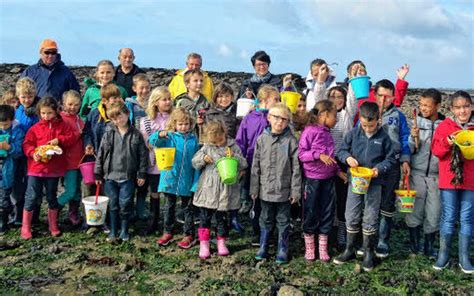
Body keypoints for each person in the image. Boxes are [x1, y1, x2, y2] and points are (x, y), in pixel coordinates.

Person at [334, 101, 396, 272]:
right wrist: (347, 158)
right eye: (364, 125)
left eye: (371, 125)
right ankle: (350, 249)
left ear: (378, 120)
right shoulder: (353, 133)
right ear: (359, 119)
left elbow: (390, 160)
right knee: (351, 214)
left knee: (370, 216)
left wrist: (379, 169)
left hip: (374, 183)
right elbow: (340, 151)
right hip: (355, 181)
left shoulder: (384, 137)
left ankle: (368, 251)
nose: (368, 128)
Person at [250, 103, 301, 264]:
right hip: (265, 189)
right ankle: (264, 245)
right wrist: (254, 188)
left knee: (283, 220)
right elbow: (255, 166)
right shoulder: (261, 139)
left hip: (284, 191)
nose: (280, 122)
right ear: (269, 118)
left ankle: (283, 247)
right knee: (265, 218)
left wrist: (295, 191)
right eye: (277, 118)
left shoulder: (291, 141)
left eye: (284, 119)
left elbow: (296, 169)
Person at [20, 97, 77, 239]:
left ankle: (53, 224)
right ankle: (25, 226)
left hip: (54, 169)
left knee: (51, 196)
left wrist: (60, 140)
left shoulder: (62, 126)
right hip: (36, 168)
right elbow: (27, 144)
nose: (46, 116)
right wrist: (33, 153)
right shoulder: (35, 128)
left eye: (49, 113)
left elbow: (73, 137)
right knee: (32, 196)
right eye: (43, 113)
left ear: (56, 112)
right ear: (39, 113)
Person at [298, 100, 347, 262]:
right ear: (325, 115)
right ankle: (310, 247)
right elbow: (301, 154)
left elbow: (331, 159)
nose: (337, 120)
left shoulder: (328, 133)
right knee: (311, 211)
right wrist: (318, 155)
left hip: (328, 180)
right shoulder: (309, 131)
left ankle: (323, 247)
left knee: (327, 212)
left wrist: (339, 172)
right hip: (312, 180)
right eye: (335, 116)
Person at [431, 91, 473, 274]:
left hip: (471, 180)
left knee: (467, 218)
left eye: (466, 106)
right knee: (448, 217)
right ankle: (443, 255)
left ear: (472, 106)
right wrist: (448, 141)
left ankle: (465, 257)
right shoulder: (445, 126)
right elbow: (437, 151)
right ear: (452, 109)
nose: (462, 111)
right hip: (449, 180)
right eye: (458, 107)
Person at [192, 121, 247, 259]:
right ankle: (204, 244)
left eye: (220, 140)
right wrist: (203, 159)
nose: (218, 144)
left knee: (221, 218)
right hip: (208, 189)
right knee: (205, 218)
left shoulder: (233, 146)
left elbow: (244, 164)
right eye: (215, 142)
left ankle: (221, 242)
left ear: (224, 133)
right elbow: (195, 162)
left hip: (226, 190)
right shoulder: (207, 147)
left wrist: (234, 157)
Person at [95, 102, 148, 242]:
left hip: (128, 177)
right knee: (113, 204)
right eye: (114, 118)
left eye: (120, 116)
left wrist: (142, 173)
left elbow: (143, 156)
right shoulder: (108, 133)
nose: (118, 120)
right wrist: (98, 173)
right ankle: (113, 230)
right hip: (110, 176)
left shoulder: (136, 134)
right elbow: (101, 153)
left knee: (125, 203)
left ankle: (124, 230)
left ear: (127, 114)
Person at [149, 108, 200, 249]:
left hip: (187, 180)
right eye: (180, 124)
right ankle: (168, 231)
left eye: (186, 124)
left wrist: (195, 183)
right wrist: (160, 134)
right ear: (174, 124)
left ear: (191, 124)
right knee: (169, 206)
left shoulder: (193, 141)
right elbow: (152, 141)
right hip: (170, 178)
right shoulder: (169, 138)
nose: (184, 127)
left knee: (188, 208)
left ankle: (188, 234)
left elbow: (197, 163)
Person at [236, 85, 280, 245]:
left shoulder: (277, 118)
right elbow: (241, 141)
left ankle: (269, 232)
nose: (278, 102)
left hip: (272, 165)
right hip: (251, 164)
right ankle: (257, 232)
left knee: (269, 199)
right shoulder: (249, 118)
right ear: (263, 99)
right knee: (255, 199)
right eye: (275, 99)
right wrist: (241, 165)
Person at [374, 79, 411, 259]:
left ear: (393, 97)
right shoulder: (368, 113)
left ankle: (383, 240)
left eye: (387, 97)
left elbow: (405, 138)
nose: (383, 100)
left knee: (387, 203)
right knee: (370, 202)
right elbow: (358, 135)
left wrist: (405, 159)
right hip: (372, 165)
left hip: (393, 164)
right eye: (380, 95)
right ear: (375, 95)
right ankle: (368, 238)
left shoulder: (399, 115)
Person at [406, 88, 445, 257]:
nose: (423, 108)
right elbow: (410, 149)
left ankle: (429, 246)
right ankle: (414, 245)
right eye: (421, 105)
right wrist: (413, 138)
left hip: (437, 176)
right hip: (417, 173)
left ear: (438, 105)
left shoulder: (445, 125)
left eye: (427, 105)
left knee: (434, 211)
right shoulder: (416, 123)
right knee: (415, 210)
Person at [204, 83, 242, 233]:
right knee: (217, 186)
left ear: (232, 97)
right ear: (215, 98)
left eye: (227, 96)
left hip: (232, 150)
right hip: (215, 151)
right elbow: (206, 134)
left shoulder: (237, 113)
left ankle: (234, 217)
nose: (224, 99)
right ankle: (218, 218)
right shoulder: (210, 114)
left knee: (233, 185)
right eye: (220, 96)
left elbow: (240, 133)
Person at [138, 86, 173, 235]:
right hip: (153, 163)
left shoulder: (173, 118)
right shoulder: (146, 120)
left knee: (169, 193)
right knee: (154, 192)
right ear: (156, 102)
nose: (168, 102)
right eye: (164, 99)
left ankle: (168, 223)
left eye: (169, 99)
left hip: (170, 162)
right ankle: (153, 221)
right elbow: (147, 142)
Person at [327, 86, 357, 248]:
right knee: (327, 197)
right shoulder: (324, 116)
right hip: (326, 161)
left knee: (342, 198)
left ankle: (341, 230)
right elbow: (318, 98)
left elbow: (353, 102)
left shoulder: (347, 115)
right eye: (332, 96)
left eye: (340, 97)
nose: (336, 100)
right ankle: (329, 228)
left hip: (343, 161)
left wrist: (352, 80)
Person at [11, 77, 40, 226]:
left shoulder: (38, 112)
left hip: (33, 155)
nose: (27, 100)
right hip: (17, 154)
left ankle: (34, 216)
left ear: (35, 94)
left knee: (33, 185)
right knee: (16, 185)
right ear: (18, 96)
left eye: (30, 96)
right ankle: (17, 215)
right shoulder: (16, 112)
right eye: (23, 97)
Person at [57, 90, 84, 226]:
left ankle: (73, 213)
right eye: (70, 104)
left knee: (77, 191)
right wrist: (76, 134)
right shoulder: (60, 119)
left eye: (76, 105)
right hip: (67, 162)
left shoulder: (79, 119)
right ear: (63, 104)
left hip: (80, 161)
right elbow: (60, 140)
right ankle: (54, 208)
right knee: (70, 190)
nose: (73, 107)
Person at [0, 105, 25, 234]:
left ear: (11, 120)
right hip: (3, 166)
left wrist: (8, 147)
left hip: (13, 168)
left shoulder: (17, 130)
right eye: (1, 125)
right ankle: (4, 220)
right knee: (4, 195)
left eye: (5, 124)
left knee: (14, 194)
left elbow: (20, 151)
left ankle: (13, 218)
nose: (3, 127)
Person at [175, 69, 211, 143]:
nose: (199, 83)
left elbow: (210, 120)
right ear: (187, 84)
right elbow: (175, 121)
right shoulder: (180, 101)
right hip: (184, 140)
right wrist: (194, 121)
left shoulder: (206, 102)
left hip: (201, 140)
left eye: (201, 81)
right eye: (195, 81)